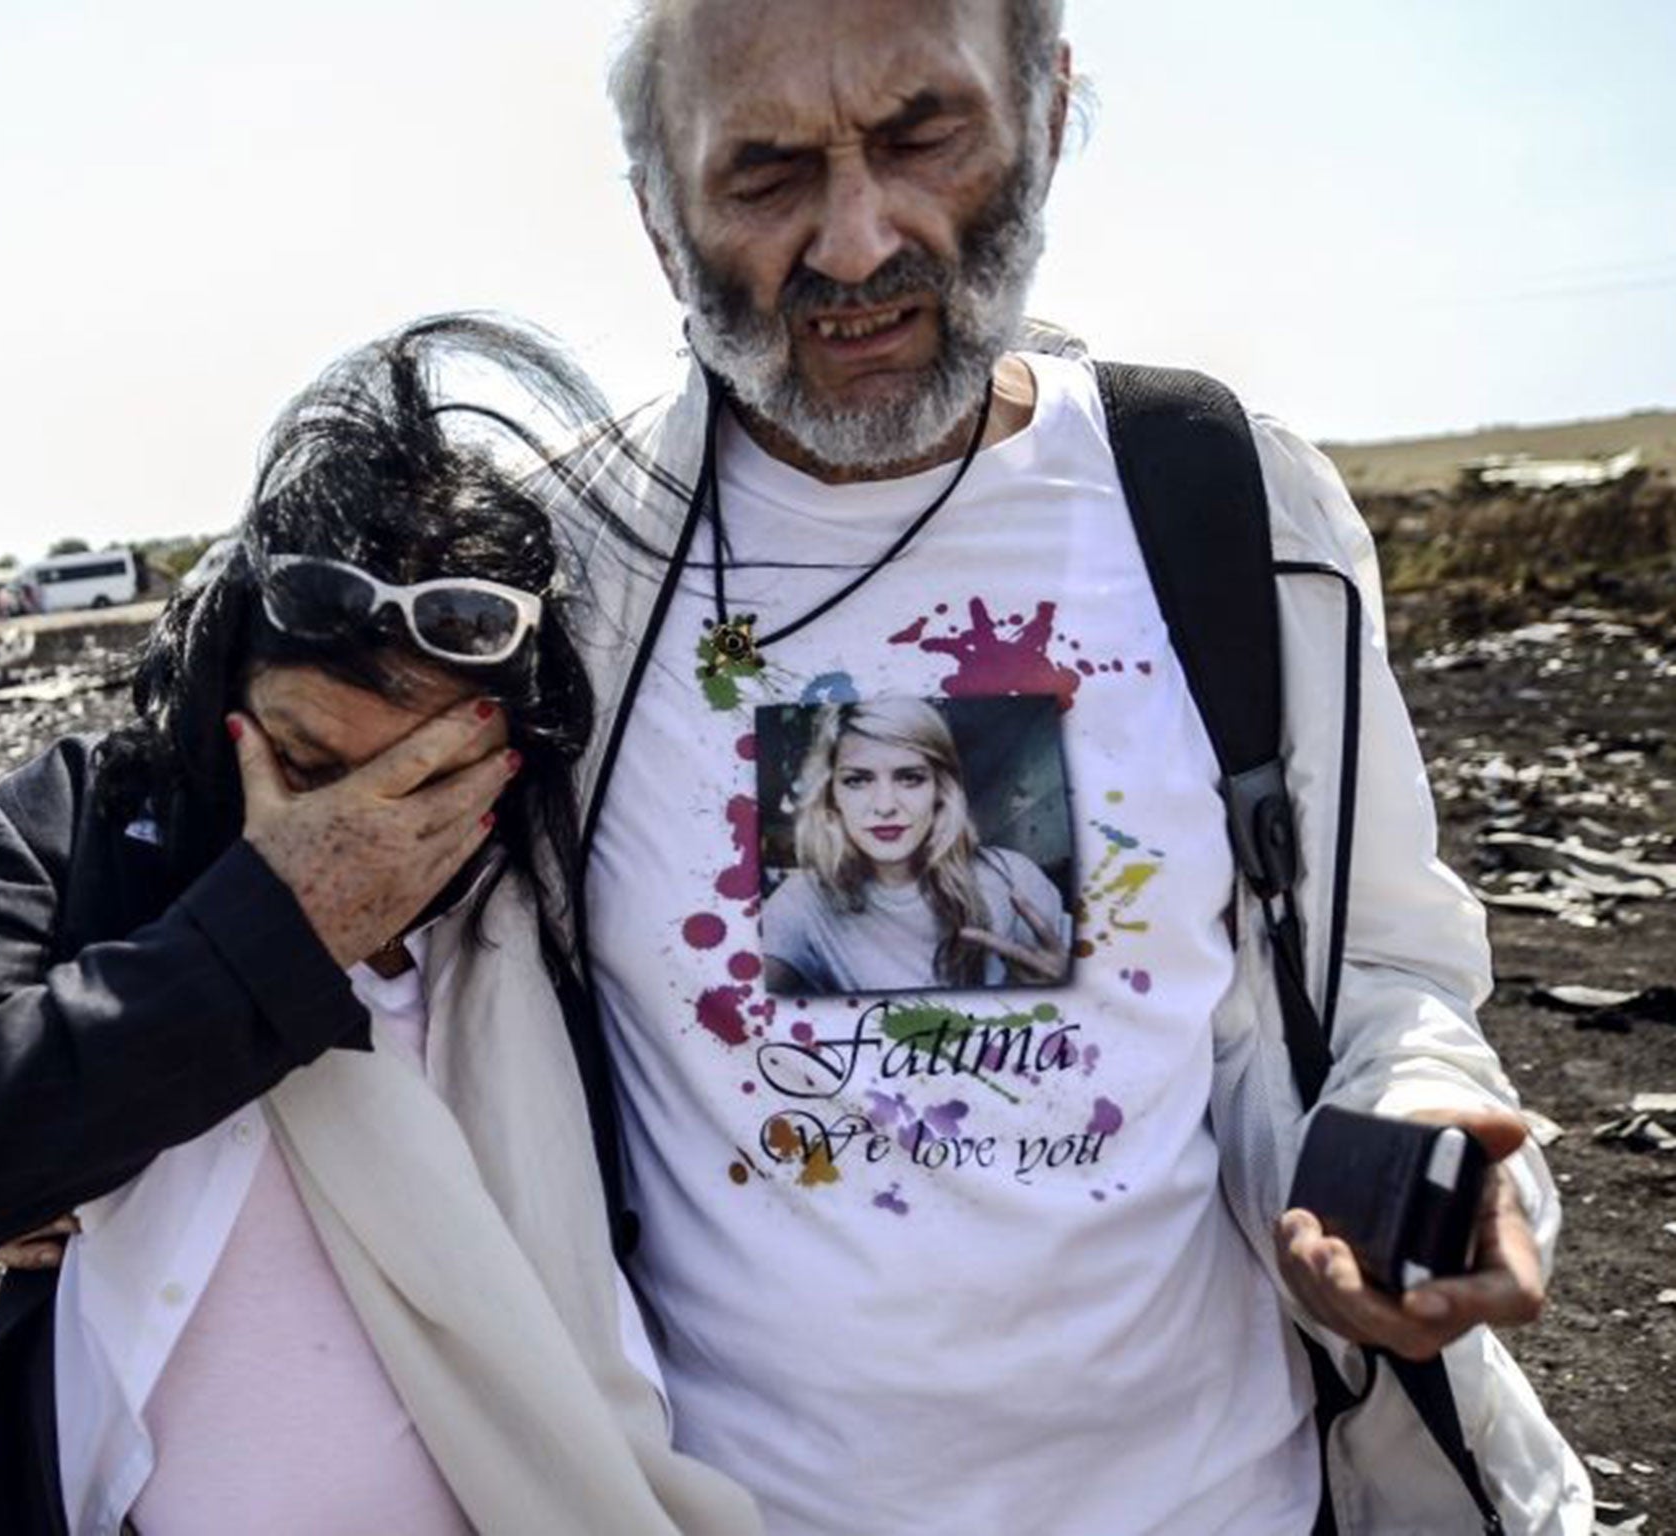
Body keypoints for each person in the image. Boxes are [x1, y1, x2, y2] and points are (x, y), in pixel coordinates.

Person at [560, 1, 1592, 1531]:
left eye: (925, 138)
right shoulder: (571, 579)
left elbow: (1382, 969)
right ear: (657, 212)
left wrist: (1428, 1142)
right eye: (764, 175)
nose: (857, 243)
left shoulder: (1232, 506)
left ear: (1046, 113)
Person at [0, 317, 760, 1536]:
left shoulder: (564, 871)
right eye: (300, 762)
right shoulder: (80, 833)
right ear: (221, 688)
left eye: (420, 785)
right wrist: (271, 926)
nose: (360, 834)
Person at [760, 694, 1069, 994]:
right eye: (857, 780)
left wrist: (1063, 987)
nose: (884, 806)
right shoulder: (800, 903)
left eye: (910, 778)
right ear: (832, 795)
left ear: (940, 789)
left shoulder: (1013, 878)